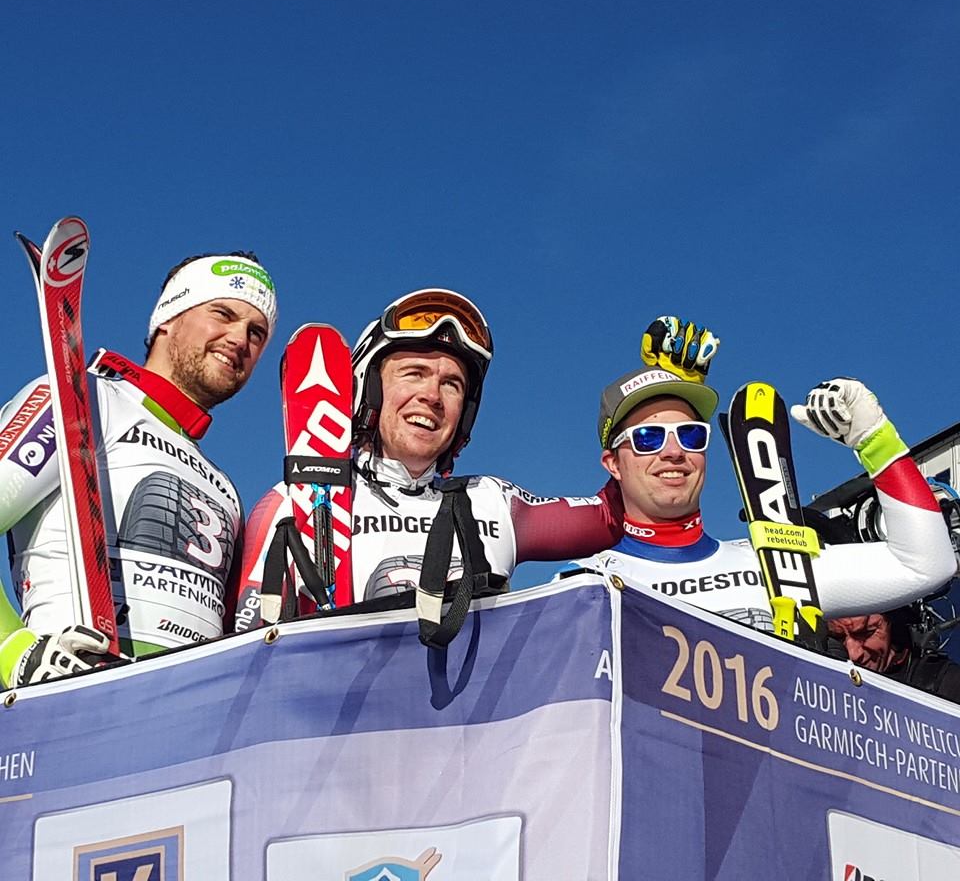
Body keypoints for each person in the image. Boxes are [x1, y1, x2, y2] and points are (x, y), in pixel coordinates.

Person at [235, 292, 689, 626]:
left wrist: (664, 406)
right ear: (368, 389)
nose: (432, 396)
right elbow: (239, 657)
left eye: (452, 384)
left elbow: (618, 514)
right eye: (414, 373)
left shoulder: (494, 502)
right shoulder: (290, 502)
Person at [0, 252, 277, 687]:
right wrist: (14, 651)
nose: (240, 339)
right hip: (70, 693)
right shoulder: (86, 399)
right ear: (168, 317)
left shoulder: (224, 488)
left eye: (256, 332)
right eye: (222, 314)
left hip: (188, 713)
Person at [576, 367, 957, 632]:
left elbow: (927, 565)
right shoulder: (589, 582)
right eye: (648, 438)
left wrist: (875, 439)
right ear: (613, 464)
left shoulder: (778, 567)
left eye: (691, 435)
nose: (674, 452)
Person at [828, 611, 960, 705]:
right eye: (837, 637)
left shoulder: (947, 685)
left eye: (867, 633)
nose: (853, 654)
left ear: (897, 629)